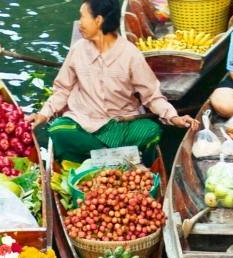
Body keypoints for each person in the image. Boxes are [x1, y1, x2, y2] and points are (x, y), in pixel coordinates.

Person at [31, 0, 195, 163]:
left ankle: (95, 157)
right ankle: (118, 157)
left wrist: (173, 117)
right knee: (59, 130)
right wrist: (43, 114)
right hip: (83, 121)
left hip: (121, 123)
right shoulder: (78, 49)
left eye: (82, 17)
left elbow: (152, 96)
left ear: (98, 20)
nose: (79, 22)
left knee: (151, 131)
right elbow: (62, 90)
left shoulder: (130, 55)